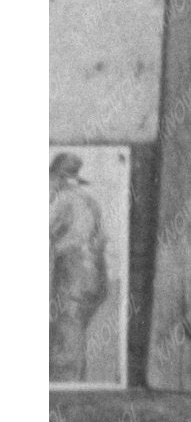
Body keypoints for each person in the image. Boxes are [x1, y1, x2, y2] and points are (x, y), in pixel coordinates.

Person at [51, 154, 111, 381]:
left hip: (72, 274)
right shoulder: (91, 202)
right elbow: (102, 238)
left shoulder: (63, 199)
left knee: (68, 334)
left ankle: (68, 385)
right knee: (75, 332)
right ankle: (76, 379)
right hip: (95, 275)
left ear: (60, 178)